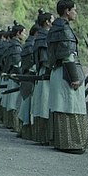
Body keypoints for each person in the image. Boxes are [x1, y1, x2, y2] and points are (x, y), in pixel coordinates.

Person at [46, 0, 88, 154]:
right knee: (71, 107)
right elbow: (68, 55)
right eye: (74, 10)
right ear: (67, 11)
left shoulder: (54, 29)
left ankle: (62, 142)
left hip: (58, 73)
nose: (75, 13)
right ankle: (72, 144)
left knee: (62, 107)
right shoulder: (64, 30)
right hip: (66, 74)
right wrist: (75, 78)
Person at [30, 9, 54, 144]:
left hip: (43, 74)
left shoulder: (41, 36)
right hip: (45, 73)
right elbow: (45, 60)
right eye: (52, 20)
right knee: (44, 105)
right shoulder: (44, 37)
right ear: (47, 22)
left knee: (43, 105)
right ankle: (44, 137)